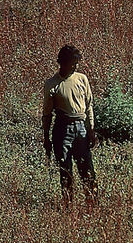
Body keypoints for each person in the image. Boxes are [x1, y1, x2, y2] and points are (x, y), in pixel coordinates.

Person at [42, 44, 98, 205]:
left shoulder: (82, 79)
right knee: (65, 171)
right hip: (62, 130)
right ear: (62, 63)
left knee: (87, 169)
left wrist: (91, 130)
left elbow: (89, 106)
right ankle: (68, 206)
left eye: (76, 63)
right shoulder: (51, 84)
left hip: (81, 128)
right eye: (72, 63)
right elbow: (47, 114)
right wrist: (46, 138)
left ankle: (92, 205)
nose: (75, 66)